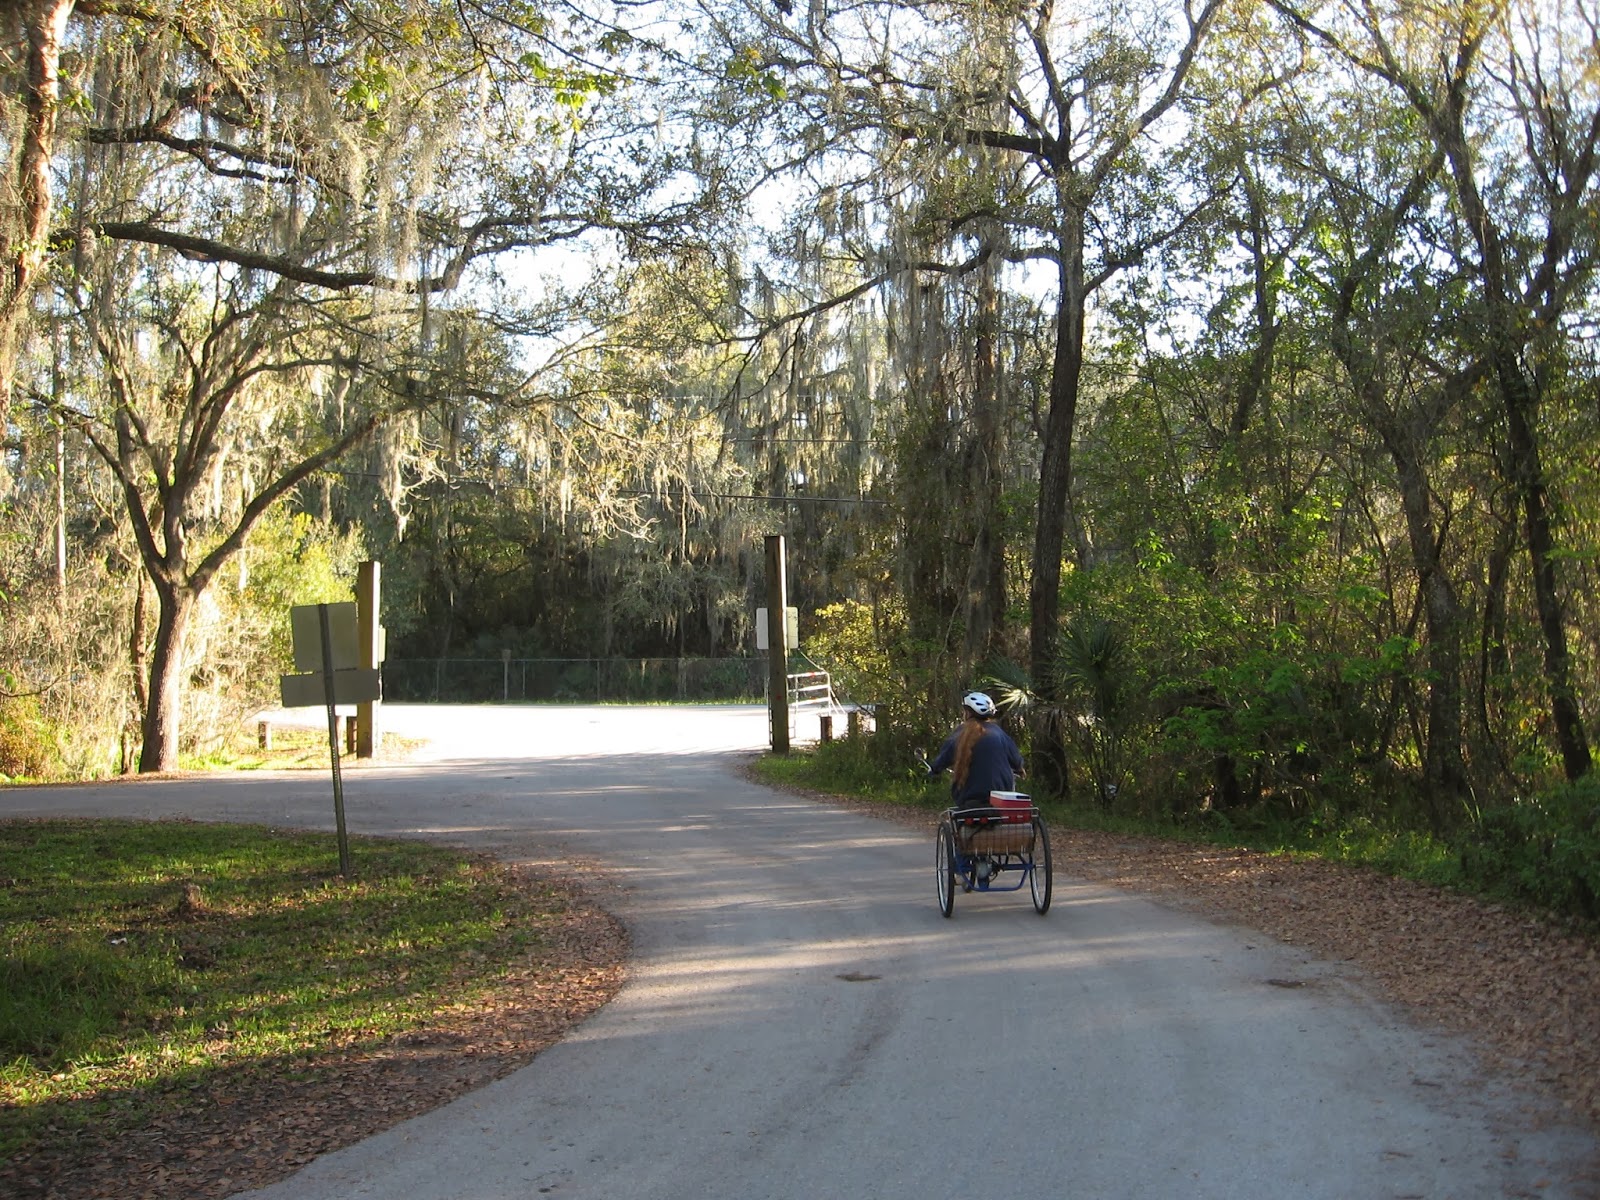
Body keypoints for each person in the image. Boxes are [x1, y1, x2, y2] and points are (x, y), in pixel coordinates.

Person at [926, 691, 1024, 810]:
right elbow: (1017, 761)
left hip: (970, 797)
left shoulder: (960, 734)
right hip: (1002, 796)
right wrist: (1019, 769)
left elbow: (943, 758)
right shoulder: (999, 734)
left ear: (967, 713)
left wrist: (934, 769)